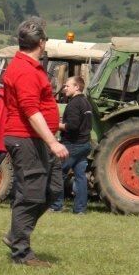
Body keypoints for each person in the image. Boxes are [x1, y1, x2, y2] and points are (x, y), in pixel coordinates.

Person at [1, 18, 66, 266]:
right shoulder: (25, 70)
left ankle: (16, 234)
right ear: (41, 43)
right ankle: (21, 252)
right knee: (31, 194)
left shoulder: (30, 66)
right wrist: (53, 142)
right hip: (26, 138)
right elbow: (31, 110)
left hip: (37, 138)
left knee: (54, 190)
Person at [51, 76, 92, 214]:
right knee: (80, 176)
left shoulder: (74, 104)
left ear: (77, 87)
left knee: (58, 173)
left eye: (68, 86)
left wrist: (55, 125)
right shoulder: (86, 103)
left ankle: (56, 206)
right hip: (84, 144)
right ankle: (80, 209)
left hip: (73, 145)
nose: (65, 88)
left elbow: (73, 126)